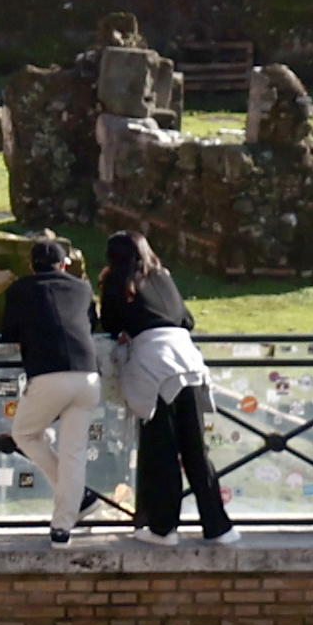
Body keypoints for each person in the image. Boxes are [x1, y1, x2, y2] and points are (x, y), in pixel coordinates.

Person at [104, 227, 225, 542]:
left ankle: (163, 527)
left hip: (155, 365)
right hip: (189, 360)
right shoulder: (164, 276)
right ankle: (219, 526)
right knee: (196, 449)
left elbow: (110, 324)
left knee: (162, 449)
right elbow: (187, 320)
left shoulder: (120, 279)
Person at [0, 234, 109, 539]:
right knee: (73, 451)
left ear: (31, 266)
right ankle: (63, 523)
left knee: (24, 434)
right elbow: (91, 324)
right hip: (89, 375)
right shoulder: (83, 288)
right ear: (64, 265)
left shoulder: (20, 289)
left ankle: (77, 502)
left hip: (48, 374)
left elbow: (8, 332)